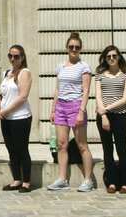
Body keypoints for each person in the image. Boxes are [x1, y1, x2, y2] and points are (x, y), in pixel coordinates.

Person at [47, 32, 94, 192]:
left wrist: (81, 110)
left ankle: (88, 180)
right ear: (67, 48)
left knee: (81, 144)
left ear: (80, 49)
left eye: (77, 47)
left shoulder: (84, 67)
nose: (74, 49)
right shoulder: (60, 66)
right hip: (61, 106)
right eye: (71, 47)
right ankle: (62, 179)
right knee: (61, 144)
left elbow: (86, 91)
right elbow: (57, 89)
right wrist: (53, 109)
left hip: (76, 106)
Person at [94, 45, 126, 194]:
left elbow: (125, 98)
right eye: (108, 56)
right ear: (105, 59)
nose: (111, 58)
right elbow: (98, 96)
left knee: (121, 149)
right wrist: (103, 115)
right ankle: (111, 181)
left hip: (119, 115)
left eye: (114, 56)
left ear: (119, 57)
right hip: (103, 116)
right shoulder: (99, 76)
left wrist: (107, 109)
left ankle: (125, 182)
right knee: (107, 149)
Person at [0, 44, 33, 193]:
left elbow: (23, 96)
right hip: (6, 118)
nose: (13, 59)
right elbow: (1, 93)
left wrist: (7, 110)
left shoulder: (25, 73)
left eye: (16, 56)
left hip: (20, 117)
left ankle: (27, 182)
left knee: (21, 149)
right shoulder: (7, 73)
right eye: (10, 56)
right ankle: (16, 179)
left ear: (22, 57)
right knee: (11, 149)